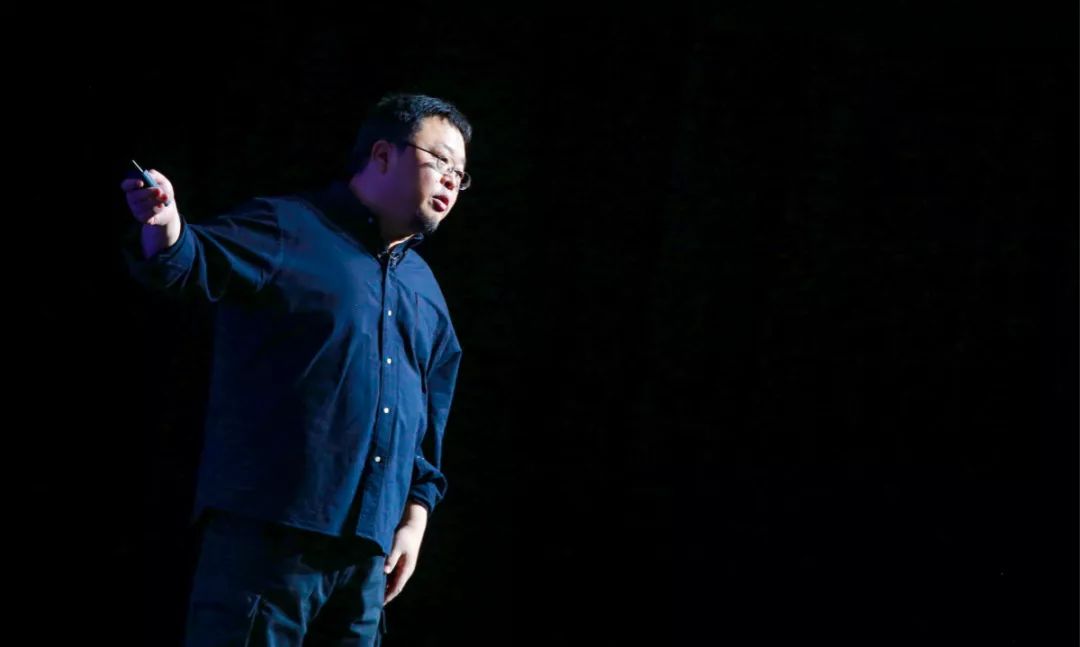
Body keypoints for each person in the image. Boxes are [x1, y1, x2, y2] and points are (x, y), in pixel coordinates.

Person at [121, 93, 472, 646]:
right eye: (441, 160)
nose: (452, 179)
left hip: (366, 558)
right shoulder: (290, 227)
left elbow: (427, 422)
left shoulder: (424, 291)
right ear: (383, 154)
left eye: (461, 173)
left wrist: (415, 516)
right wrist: (164, 226)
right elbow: (190, 260)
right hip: (269, 540)